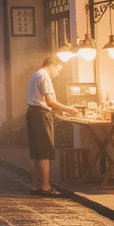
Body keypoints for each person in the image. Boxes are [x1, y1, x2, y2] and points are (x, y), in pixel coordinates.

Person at [26, 55, 79, 196]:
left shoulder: (36, 75)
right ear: (51, 66)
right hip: (41, 115)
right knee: (45, 151)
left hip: (32, 113)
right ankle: (45, 187)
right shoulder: (45, 76)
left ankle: (35, 186)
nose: (58, 73)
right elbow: (50, 101)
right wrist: (69, 109)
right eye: (58, 69)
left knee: (35, 153)